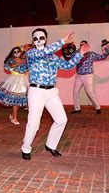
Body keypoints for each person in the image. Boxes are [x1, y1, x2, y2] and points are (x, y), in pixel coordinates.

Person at [21, 28, 82, 160]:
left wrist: (80, 54)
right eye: (35, 38)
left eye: (41, 38)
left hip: (51, 92)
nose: (38, 41)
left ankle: (51, 145)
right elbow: (45, 51)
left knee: (61, 120)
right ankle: (26, 148)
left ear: (46, 39)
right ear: (33, 41)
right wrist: (61, 42)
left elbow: (67, 66)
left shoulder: (53, 56)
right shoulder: (31, 54)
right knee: (33, 123)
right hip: (36, 91)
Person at [0, 46, 29, 125]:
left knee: (20, 100)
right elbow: (12, 66)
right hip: (14, 80)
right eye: (14, 52)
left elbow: (27, 68)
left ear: (20, 52)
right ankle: (14, 118)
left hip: (23, 80)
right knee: (16, 100)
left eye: (18, 51)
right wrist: (22, 61)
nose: (16, 53)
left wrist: (25, 56)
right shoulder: (11, 60)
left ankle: (13, 115)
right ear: (12, 53)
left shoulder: (24, 59)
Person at [70, 40, 109, 114]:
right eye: (81, 45)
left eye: (84, 45)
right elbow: (70, 58)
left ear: (87, 46)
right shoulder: (77, 54)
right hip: (79, 75)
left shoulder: (91, 54)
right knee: (75, 92)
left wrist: (106, 48)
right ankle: (77, 109)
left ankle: (98, 108)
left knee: (89, 92)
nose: (82, 46)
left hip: (88, 75)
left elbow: (102, 56)